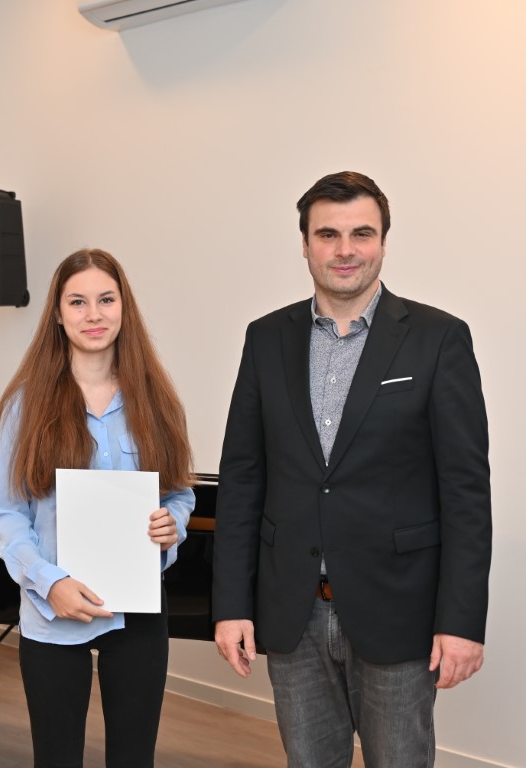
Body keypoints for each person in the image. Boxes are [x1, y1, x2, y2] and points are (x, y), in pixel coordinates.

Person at [212, 171, 492, 767]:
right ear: (305, 244)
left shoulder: (439, 339)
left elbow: (465, 493)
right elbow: (242, 482)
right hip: (292, 612)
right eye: (328, 234)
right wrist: (231, 604)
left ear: (383, 241)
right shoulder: (265, 339)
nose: (345, 250)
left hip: (399, 611)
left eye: (361, 233)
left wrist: (462, 621)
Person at [0, 247, 195, 768]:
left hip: (138, 611)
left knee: (134, 759)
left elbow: (179, 493)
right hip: (51, 613)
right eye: (77, 302)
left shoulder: (157, 400)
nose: (93, 314)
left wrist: (173, 525)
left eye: (106, 299)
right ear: (58, 314)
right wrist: (49, 582)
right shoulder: (25, 405)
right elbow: (6, 513)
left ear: (124, 307)